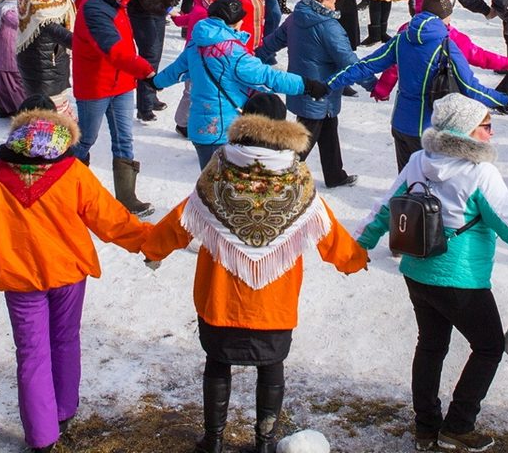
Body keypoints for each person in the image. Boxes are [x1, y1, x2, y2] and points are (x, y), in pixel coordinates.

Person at [143, 95, 369, 453]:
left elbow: (184, 218)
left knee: (217, 363)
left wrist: (154, 247)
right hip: (273, 302)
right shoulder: (297, 178)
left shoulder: (219, 170)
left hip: (220, 298)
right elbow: (325, 227)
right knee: (271, 367)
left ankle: (213, 441)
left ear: (244, 122)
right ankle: (264, 442)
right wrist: (352, 259)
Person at [0, 106, 154, 453]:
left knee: (30, 353)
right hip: (67, 274)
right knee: (65, 339)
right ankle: (63, 408)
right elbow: (111, 220)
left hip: (19, 278)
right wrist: (149, 241)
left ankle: (41, 436)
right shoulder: (73, 174)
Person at [354, 95, 508, 453]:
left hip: (417, 272)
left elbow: (386, 207)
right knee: (489, 346)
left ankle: (426, 427)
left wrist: (361, 243)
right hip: (460, 279)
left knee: (431, 345)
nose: (492, 135)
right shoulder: (479, 172)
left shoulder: (418, 161)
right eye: (486, 127)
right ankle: (458, 426)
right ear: (465, 131)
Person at [328, 0, 508, 169]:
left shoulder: (401, 38)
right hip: (429, 131)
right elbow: (471, 88)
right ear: (443, 17)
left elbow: (365, 66)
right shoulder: (446, 45)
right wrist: (505, 101)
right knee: (428, 189)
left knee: (406, 184)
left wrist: (328, 84)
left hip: (400, 124)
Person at [156, 0, 318, 168]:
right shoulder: (232, 52)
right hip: (224, 130)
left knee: (210, 181)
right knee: (224, 188)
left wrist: (155, 82)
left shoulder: (196, 44)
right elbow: (267, 77)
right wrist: (305, 85)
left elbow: (176, 70)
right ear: (235, 22)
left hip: (199, 128)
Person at [257, 0, 362, 187]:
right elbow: (349, 61)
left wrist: (252, 56)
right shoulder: (328, 26)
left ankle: (335, 175)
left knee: (329, 128)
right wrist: (374, 83)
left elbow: (272, 42)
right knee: (303, 139)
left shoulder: (297, 17)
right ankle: (281, 180)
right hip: (318, 92)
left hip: (309, 90)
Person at [69, 0, 156, 214]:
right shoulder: (95, 8)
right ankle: (65, 186)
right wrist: (146, 71)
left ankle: (127, 198)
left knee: (124, 139)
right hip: (96, 85)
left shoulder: (114, 3)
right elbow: (115, 50)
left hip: (121, 82)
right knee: (85, 139)